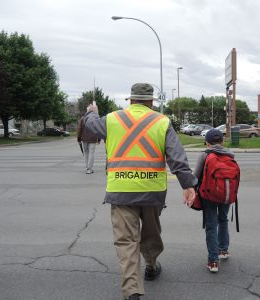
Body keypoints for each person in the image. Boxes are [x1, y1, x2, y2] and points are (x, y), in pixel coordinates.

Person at [83, 83, 197, 300]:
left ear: (130, 100)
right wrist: (188, 184)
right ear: (151, 102)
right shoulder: (161, 121)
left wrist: (92, 112)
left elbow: (90, 126)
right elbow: (176, 156)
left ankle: (132, 291)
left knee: (126, 241)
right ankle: (152, 266)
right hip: (152, 190)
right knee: (151, 233)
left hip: (120, 190)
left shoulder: (112, 119)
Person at [194, 129, 234, 273]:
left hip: (209, 195)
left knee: (211, 225)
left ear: (207, 142)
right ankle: (223, 250)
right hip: (226, 194)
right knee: (223, 220)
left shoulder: (205, 155)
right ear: (222, 142)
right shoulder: (230, 154)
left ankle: (213, 261)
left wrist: (191, 191)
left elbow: (195, 176)